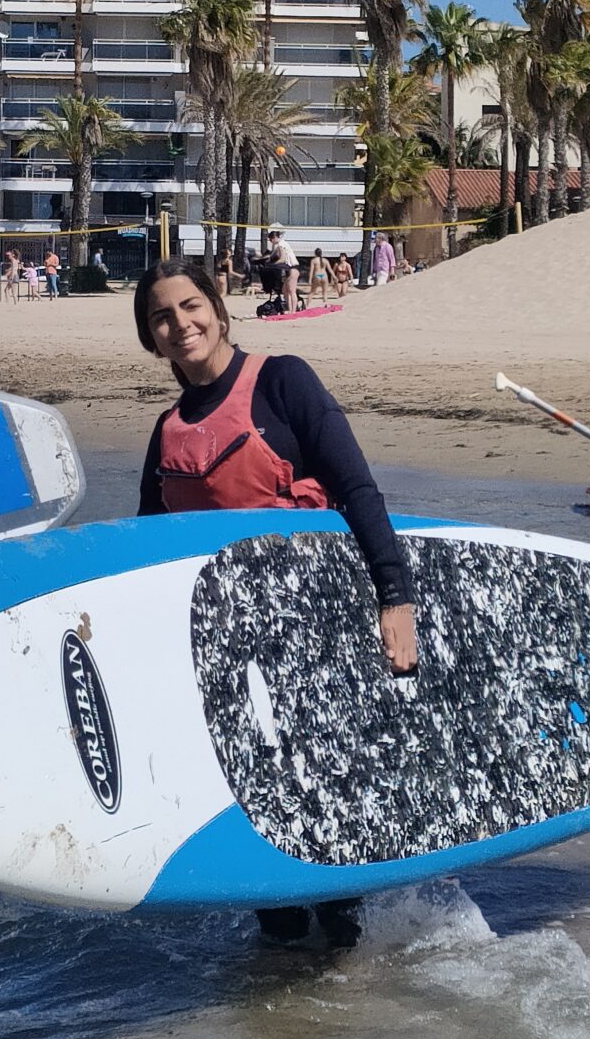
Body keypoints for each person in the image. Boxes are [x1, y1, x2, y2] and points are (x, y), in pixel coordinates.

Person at [135, 258, 418, 950]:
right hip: (226, 659)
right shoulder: (166, 430)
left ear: (217, 307)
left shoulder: (283, 381)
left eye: (190, 306)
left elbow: (358, 489)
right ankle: (291, 987)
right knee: (263, 839)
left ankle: (348, 952)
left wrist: (396, 596)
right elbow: (146, 557)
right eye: (162, 317)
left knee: (326, 814)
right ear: (151, 337)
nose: (180, 324)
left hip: (315, 637)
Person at [268, 227, 299, 312]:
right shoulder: (281, 244)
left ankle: (293, 311)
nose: (270, 242)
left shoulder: (281, 245)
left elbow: (282, 258)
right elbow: (273, 253)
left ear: (274, 238)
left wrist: (272, 265)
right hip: (289, 269)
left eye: (270, 240)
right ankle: (290, 310)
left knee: (291, 291)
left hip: (293, 268)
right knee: (285, 290)